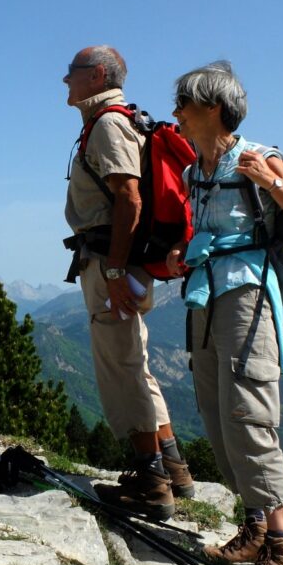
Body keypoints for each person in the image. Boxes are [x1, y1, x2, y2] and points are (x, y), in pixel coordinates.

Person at [166, 61, 283, 565]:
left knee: (249, 415)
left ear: (213, 108)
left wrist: (272, 181)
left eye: (184, 105)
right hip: (206, 297)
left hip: (248, 299)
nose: (176, 115)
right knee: (216, 415)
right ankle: (256, 529)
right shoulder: (196, 171)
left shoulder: (256, 156)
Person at [62, 45, 194, 521]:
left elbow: (130, 200)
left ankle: (150, 481)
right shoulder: (119, 121)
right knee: (135, 360)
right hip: (122, 264)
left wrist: (115, 269)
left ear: (97, 75)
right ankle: (173, 467)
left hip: (112, 265)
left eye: (72, 72)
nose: (64, 80)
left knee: (120, 366)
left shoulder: (109, 124)